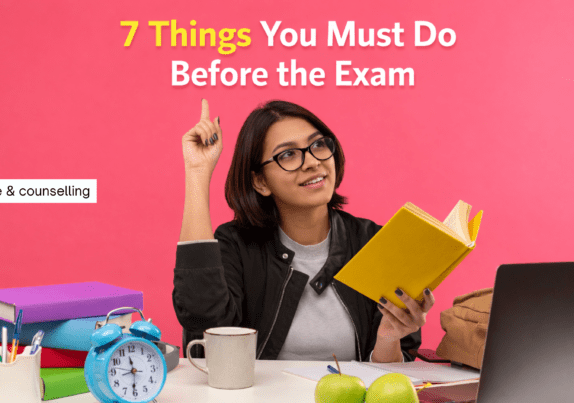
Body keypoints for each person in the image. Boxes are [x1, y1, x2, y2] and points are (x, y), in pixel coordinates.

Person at [173, 99, 435, 362]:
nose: (312, 162)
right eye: (288, 154)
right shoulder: (236, 244)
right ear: (261, 181)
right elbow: (204, 330)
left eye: (318, 144)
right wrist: (197, 171)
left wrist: (389, 337)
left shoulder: (373, 241)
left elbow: (391, 385)